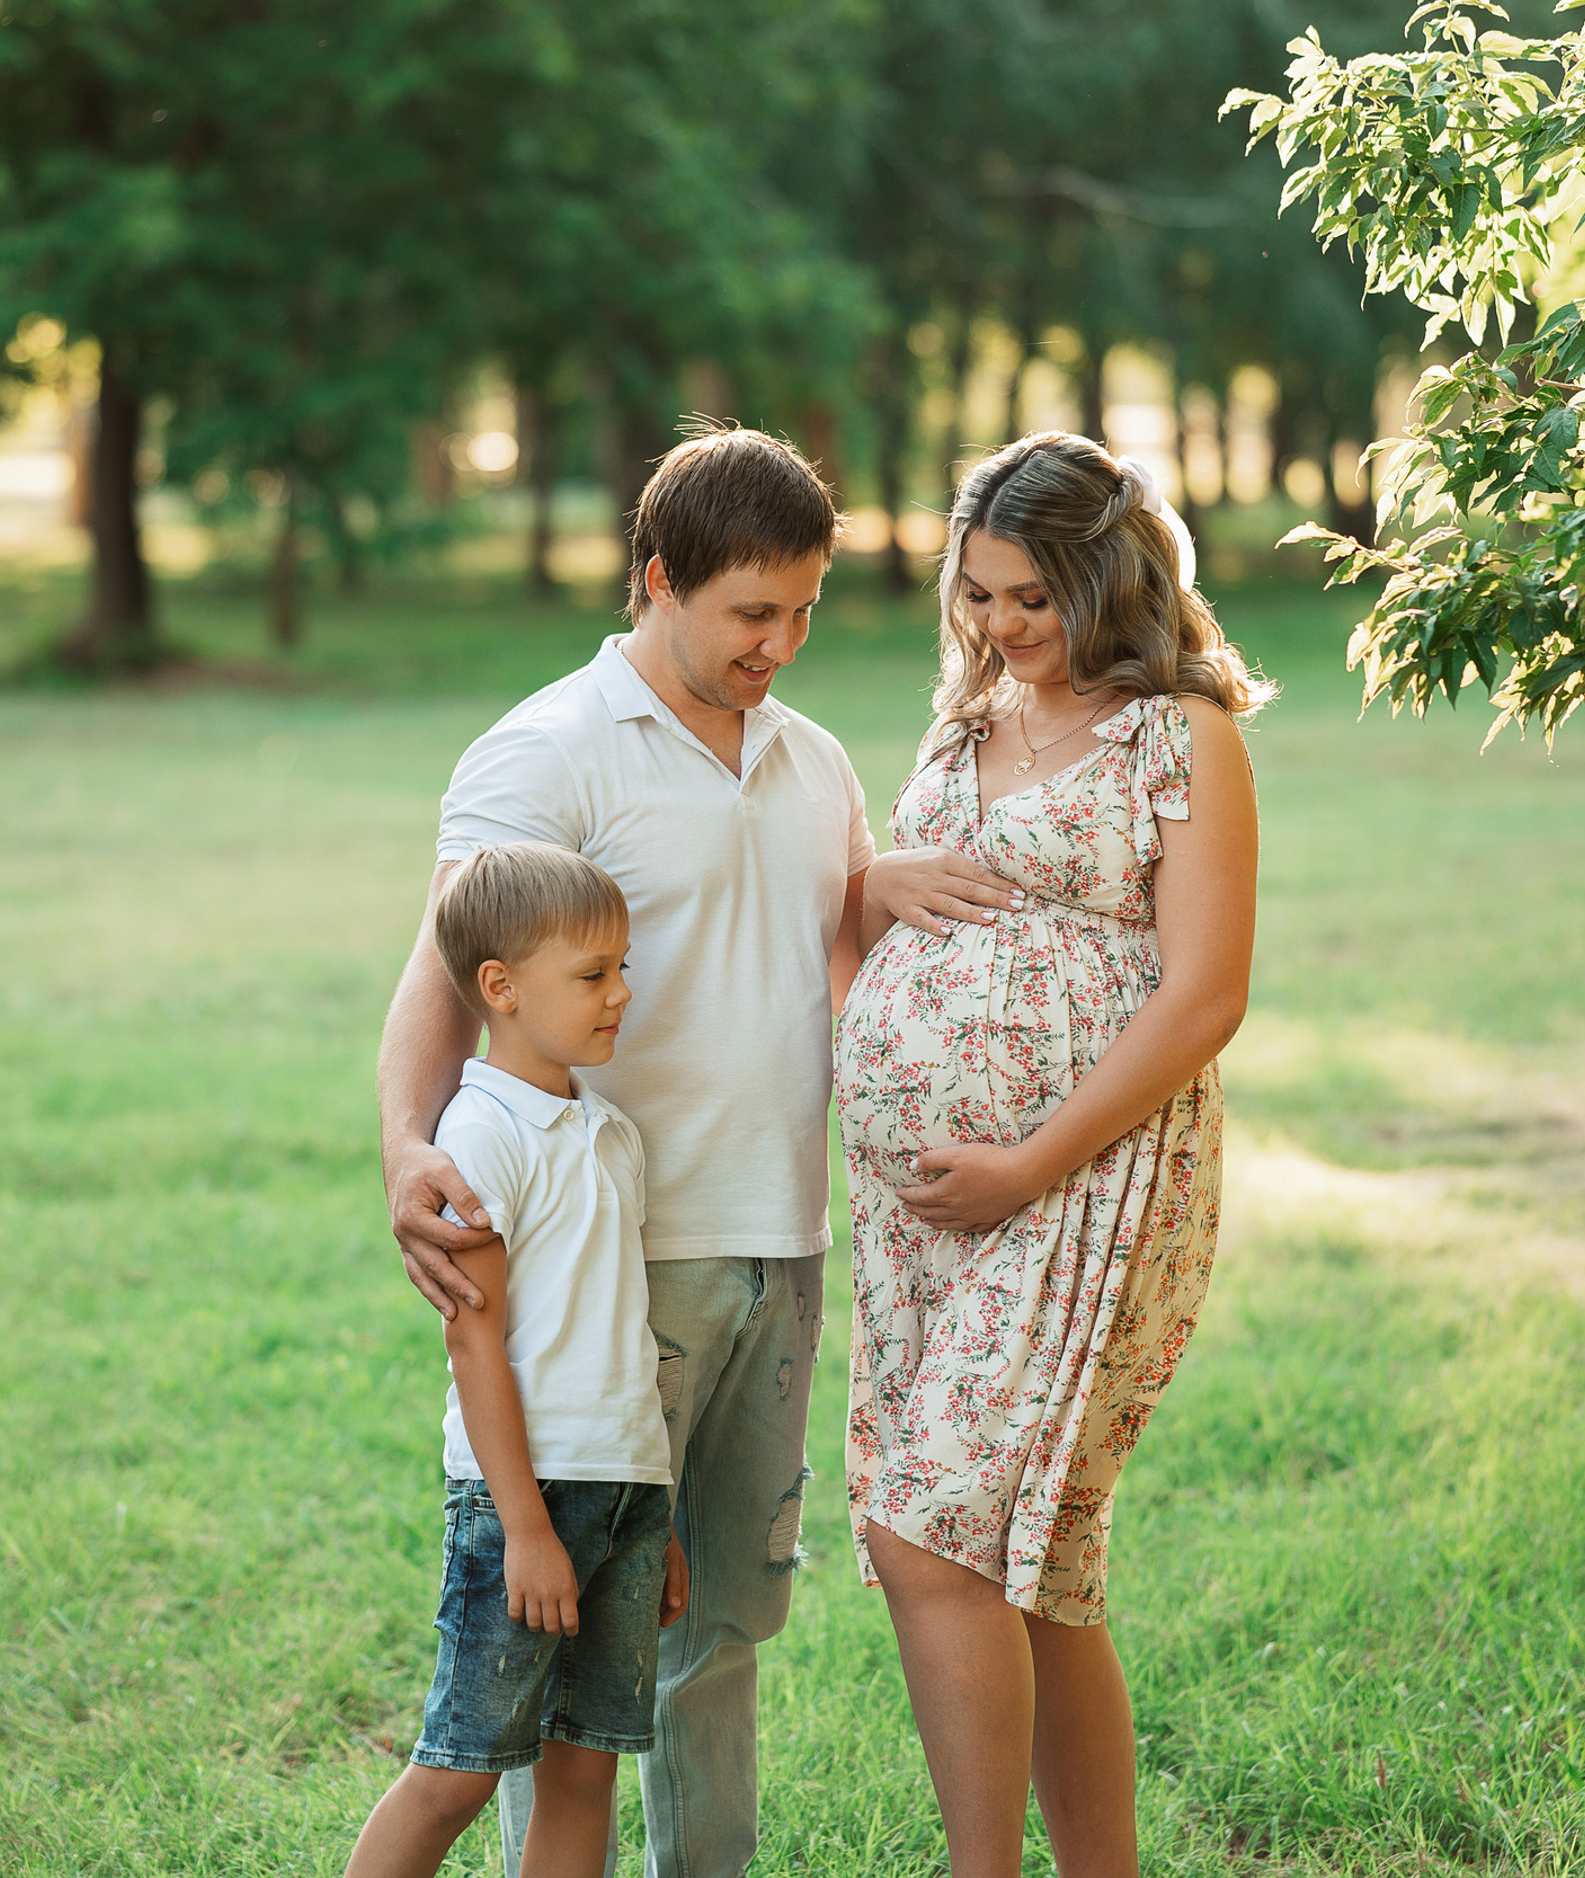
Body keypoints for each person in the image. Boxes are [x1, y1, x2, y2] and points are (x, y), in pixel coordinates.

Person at [376, 425, 1008, 1878]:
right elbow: (442, 974)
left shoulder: (813, 759)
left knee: (723, 1622)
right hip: (608, 1270)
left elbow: (807, 960)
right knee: (580, 1652)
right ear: (659, 579)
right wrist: (408, 1147)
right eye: (749, 614)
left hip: (780, 1244)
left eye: (804, 612)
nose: (779, 644)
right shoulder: (543, 752)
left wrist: (870, 889)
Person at [836, 431, 1272, 1878]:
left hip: (1087, 1183)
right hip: (923, 1217)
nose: (1001, 627)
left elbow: (1206, 992)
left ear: (1106, 580)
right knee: (1040, 1571)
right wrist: (873, 880)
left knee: (935, 1538)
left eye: (1030, 599)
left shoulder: (1181, 732)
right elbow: (902, 908)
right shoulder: (965, 721)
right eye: (977, 596)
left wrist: (1028, 1161)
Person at [345, 842, 689, 1878]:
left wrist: (648, 1509)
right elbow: (474, 1343)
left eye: (623, 966)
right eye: (593, 975)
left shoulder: (611, 1133)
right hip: (520, 1497)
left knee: (586, 1770)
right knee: (463, 1766)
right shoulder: (481, 1137)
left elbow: (618, 1329)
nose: (622, 993)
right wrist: (530, 1530)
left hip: (623, 1486)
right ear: (500, 987)